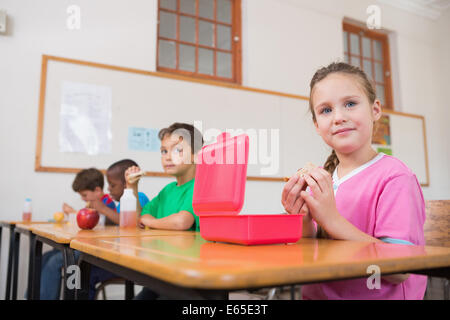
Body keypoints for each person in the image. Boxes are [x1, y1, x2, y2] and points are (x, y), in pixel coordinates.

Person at [281, 62, 427, 300]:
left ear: (375, 110)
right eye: (326, 110)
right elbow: (312, 252)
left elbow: (400, 269)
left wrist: (332, 220)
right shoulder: (320, 178)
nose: (338, 117)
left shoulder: (396, 178)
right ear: (317, 125)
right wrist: (303, 221)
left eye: (350, 104)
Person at [126, 122, 203, 299]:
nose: (168, 157)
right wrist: (132, 187)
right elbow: (138, 219)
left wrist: (150, 221)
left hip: (190, 276)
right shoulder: (167, 191)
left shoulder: (200, 186)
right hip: (165, 272)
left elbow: (182, 221)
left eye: (177, 150)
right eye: (163, 151)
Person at [31, 168, 116, 300]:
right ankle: (31, 296)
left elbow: (101, 225)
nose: (83, 199)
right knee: (46, 256)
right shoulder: (93, 205)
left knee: (55, 262)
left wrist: (74, 212)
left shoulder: (106, 204)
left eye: (84, 195)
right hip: (84, 245)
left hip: (95, 249)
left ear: (98, 191)